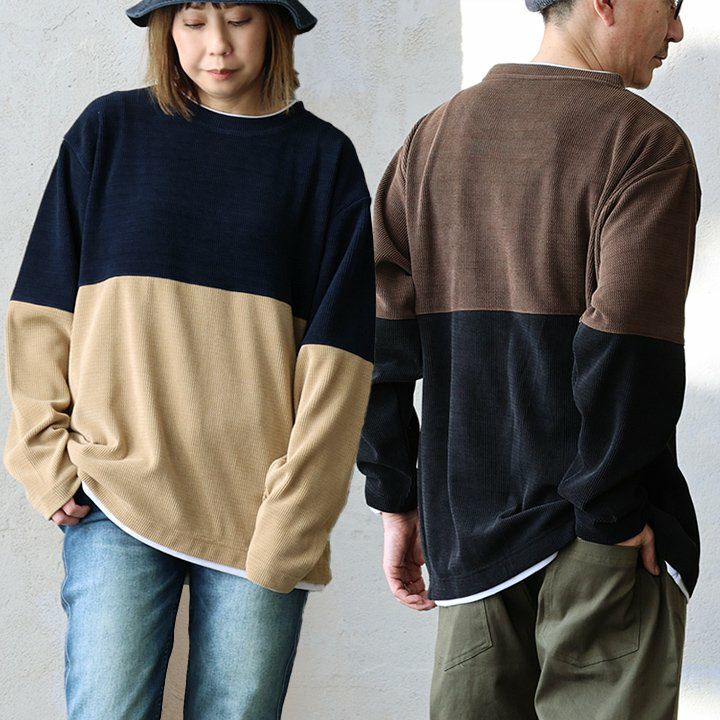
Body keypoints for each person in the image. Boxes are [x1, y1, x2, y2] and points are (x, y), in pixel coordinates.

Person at [3, 1, 374, 717]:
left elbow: (340, 363)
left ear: (275, 25)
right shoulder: (109, 132)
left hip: (259, 513)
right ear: (166, 29)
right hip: (114, 494)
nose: (217, 46)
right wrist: (43, 458)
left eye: (238, 18)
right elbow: (42, 311)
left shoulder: (322, 161)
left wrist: (295, 518)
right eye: (194, 22)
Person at [357, 0, 699, 718]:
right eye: (670, 6)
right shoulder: (643, 143)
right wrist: (611, 513)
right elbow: (628, 348)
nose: (676, 30)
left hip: (470, 539)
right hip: (596, 543)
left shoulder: (432, 140)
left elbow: (371, 344)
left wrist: (397, 495)